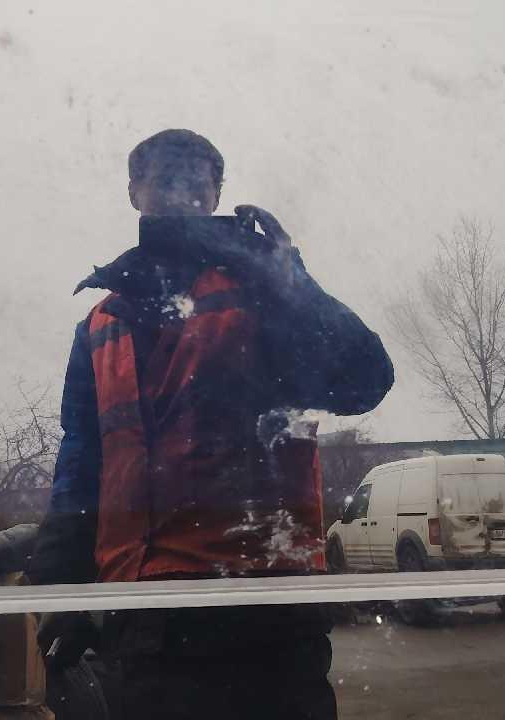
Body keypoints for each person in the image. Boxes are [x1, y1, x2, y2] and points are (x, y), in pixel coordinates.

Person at [27, 129, 393, 719]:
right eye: (164, 181)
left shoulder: (260, 290)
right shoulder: (99, 324)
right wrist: (64, 590)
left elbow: (363, 381)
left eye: (197, 185)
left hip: (264, 609)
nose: (181, 196)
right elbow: (82, 461)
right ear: (134, 192)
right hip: (143, 615)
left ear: (217, 194)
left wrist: (290, 281)